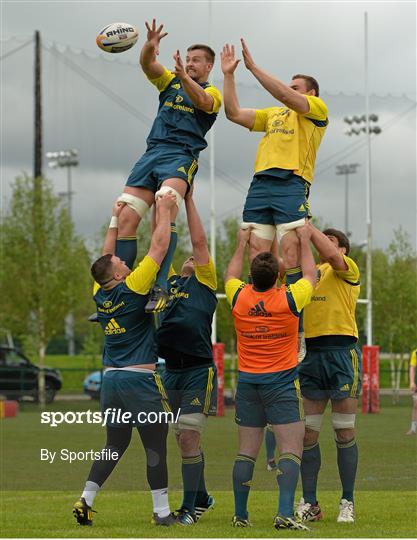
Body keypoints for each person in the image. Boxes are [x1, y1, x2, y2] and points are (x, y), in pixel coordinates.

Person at [73, 193, 178, 527]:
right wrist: (164, 212)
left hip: (112, 382)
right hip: (139, 381)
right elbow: (159, 248)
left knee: (115, 443)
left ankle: (85, 500)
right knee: (155, 446)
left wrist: (116, 218)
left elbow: (106, 256)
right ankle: (162, 513)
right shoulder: (133, 286)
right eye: (122, 265)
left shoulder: (99, 292)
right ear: (118, 276)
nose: (125, 263)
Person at [220, 41, 328, 360]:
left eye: (296, 87)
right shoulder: (274, 115)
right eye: (289, 84)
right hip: (260, 183)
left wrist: (254, 69)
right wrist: (228, 76)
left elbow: (283, 93)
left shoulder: (316, 111)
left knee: (293, 249)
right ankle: (259, 320)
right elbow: (233, 113)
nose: (288, 89)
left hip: (291, 182)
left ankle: (296, 332)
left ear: (311, 94)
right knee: (258, 255)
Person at [116, 19, 222, 313]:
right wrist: (149, 48)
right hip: (153, 152)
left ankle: (160, 285)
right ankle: (119, 289)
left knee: (166, 202)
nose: (190, 64)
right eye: (188, 59)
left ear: (208, 66)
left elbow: (201, 101)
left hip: (181, 156)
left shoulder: (213, 94)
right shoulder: (171, 81)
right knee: (124, 213)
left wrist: (183, 77)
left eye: (196, 61)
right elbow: (148, 66)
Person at [225, 224, 316, 530]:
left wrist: (240, 245)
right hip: (281, 382)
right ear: (279, 277)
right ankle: (284, 513)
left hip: (249, 383)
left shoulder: (238, 298)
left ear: (250, 278)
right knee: (291, 448)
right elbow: (310, 276)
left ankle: (240, 515)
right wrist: (304, 241)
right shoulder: (289, 300)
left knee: (246, 451)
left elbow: (229, 277)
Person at [156, 188, 217, 525]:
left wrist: (189, 201)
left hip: (197, 369)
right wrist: (165, 212)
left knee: (190, 436)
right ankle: (203, 497)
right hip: (170, 371)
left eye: (196, 258)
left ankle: (189, 509)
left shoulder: (204, 282)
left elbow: (200, 243)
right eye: (188, 258)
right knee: (182, 438)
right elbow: (161, 246)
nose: (192, 259)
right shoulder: (166, 283)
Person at [296, 223, 361, 524]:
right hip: (312, 355)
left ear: (343, 249)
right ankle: (310, 503)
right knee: (308, 433)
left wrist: (309, 228)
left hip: (342, 354)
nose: (325, 244)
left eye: (332, 240)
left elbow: (330, 255)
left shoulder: (346, 268)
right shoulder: (311, 277)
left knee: (344, 430)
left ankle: (347, 501)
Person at [406, 348, 417, 435]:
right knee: (416, 405)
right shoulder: (415, 353)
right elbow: (412, 368)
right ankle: (413, 429)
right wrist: (412, 382)